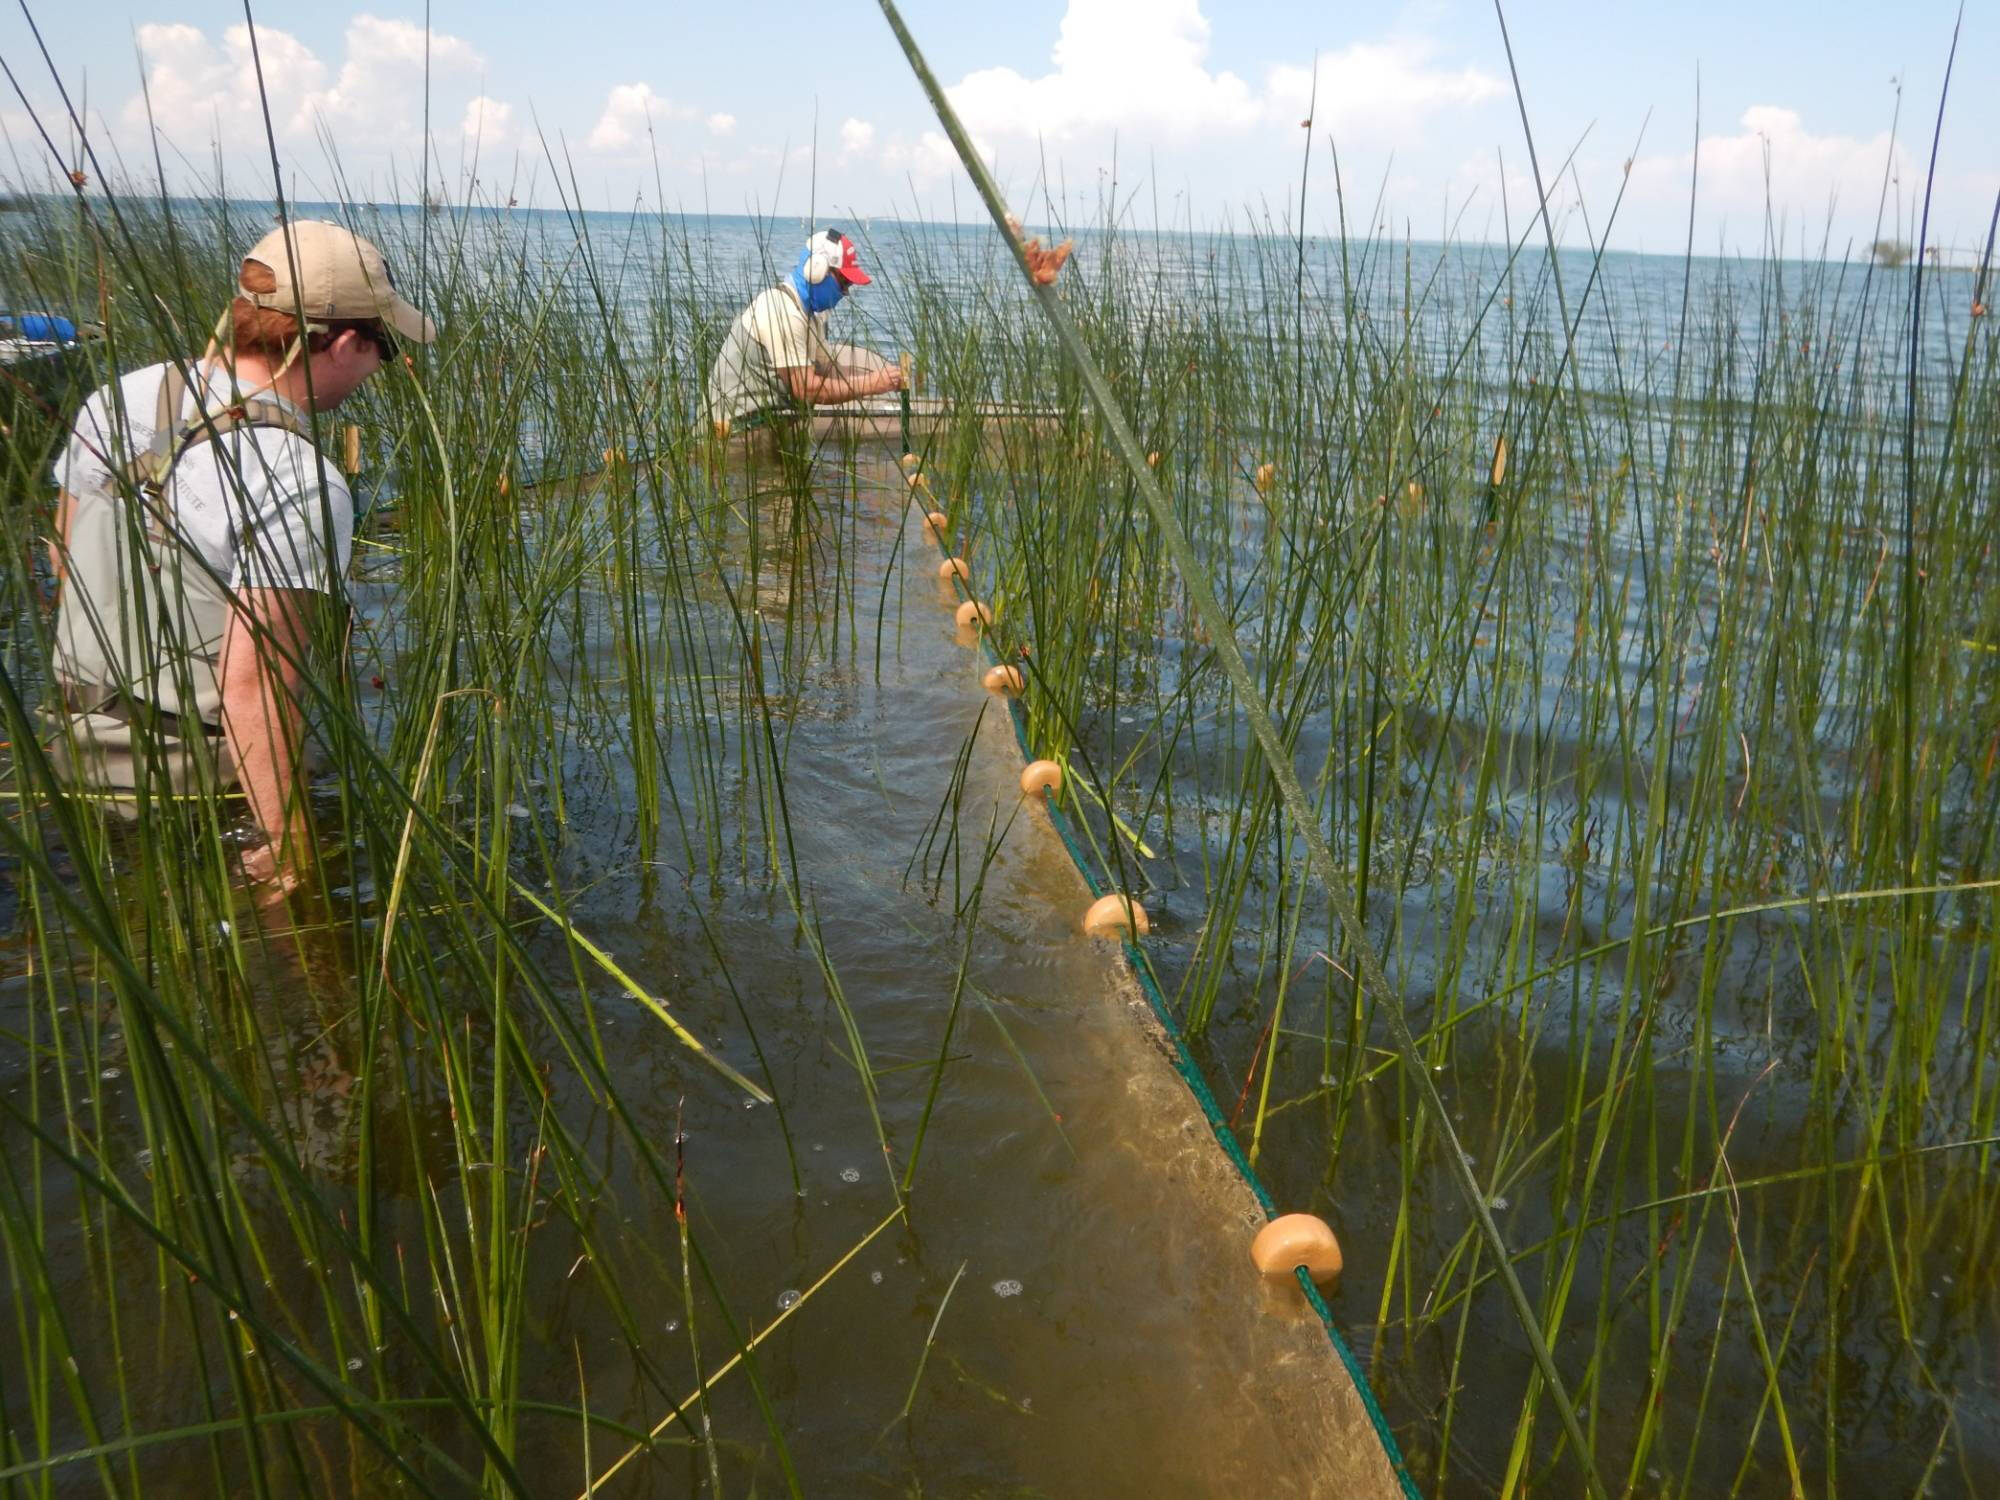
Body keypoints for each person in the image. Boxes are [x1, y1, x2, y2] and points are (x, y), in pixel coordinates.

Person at [42, 219, 434, 899]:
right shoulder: (300, 477)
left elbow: (63, 559)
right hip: (196, 786)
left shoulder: (119, 395)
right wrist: (289, 850)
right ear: (343, 341)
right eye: (387, 348)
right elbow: (253, 688)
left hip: (72, 747)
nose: (383, 370)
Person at [703, 227, 904, 433]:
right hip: (732, 432)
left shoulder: (809, 315)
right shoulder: (784, 312)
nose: (845, 292)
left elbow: (827, 369)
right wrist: (873, 384)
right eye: (844, 282)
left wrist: (882, 377)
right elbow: (806, 389)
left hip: (764, 424)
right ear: (817, 270)